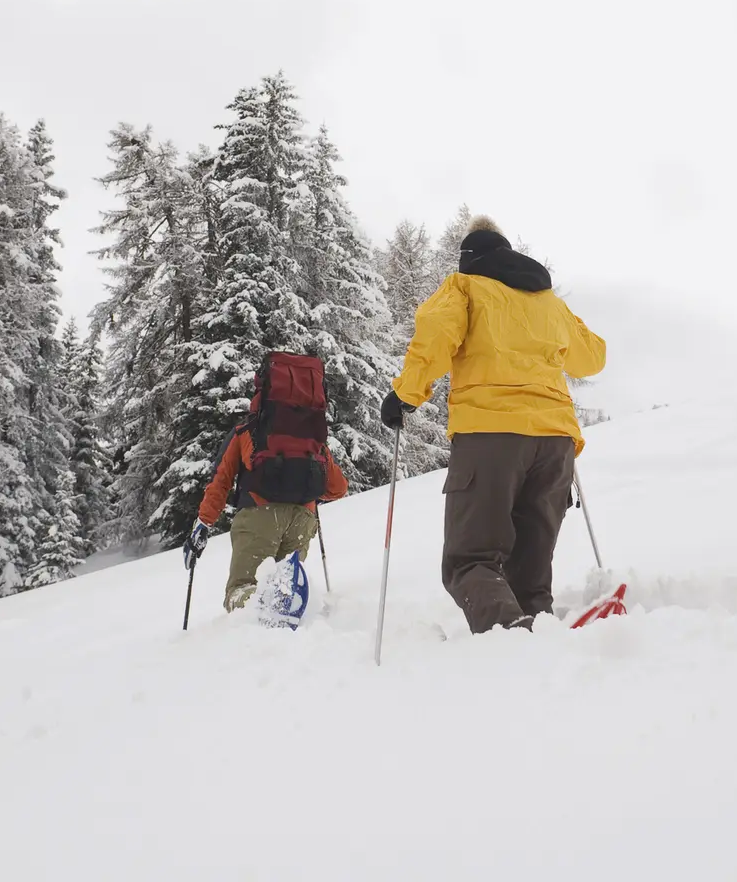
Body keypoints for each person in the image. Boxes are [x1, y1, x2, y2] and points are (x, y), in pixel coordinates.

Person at [380, 215, 606, 633]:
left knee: (470, 561)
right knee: (530, 575)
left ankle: (511, 639)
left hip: (492, 435)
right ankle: (539, 643)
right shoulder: (549, 302)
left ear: (468, 253)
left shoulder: (465, 287)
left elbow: (436, 338)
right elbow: (592, 357)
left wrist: (405, 395)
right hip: (555, 444)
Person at [184, 353, 349, 612]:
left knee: (242, 588)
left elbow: (220, 481)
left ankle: (260, 610)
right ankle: (289, 616)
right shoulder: (313, 440)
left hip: (259, 513)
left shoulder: (248, 431)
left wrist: (203, 523)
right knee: (284, 587)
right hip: (303, 520)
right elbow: (338, 488)